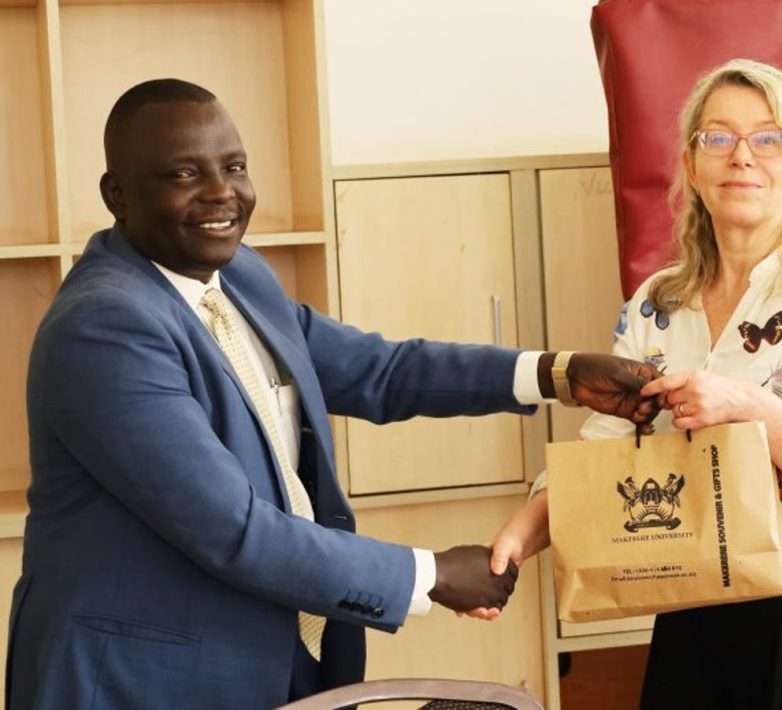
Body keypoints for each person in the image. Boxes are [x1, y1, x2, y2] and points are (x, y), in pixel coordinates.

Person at [8, 79, 661, 709]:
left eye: (233, 167)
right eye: (184, 175)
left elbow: (377, 370)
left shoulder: (236, 275)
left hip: (275, 656)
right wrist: (429, 576)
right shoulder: (105, 328)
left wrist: (558, 372)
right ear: (117, 194)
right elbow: (233, 529)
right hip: (143, 679)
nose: (221, 194)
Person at [474, 58, 782, 709]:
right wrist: (518, 538)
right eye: (718, 137)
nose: (742, 157)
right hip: (693, 587)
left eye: (768, 137)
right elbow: (605, 453)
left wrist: (748, 405)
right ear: (692, 161)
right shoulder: (657, 304)